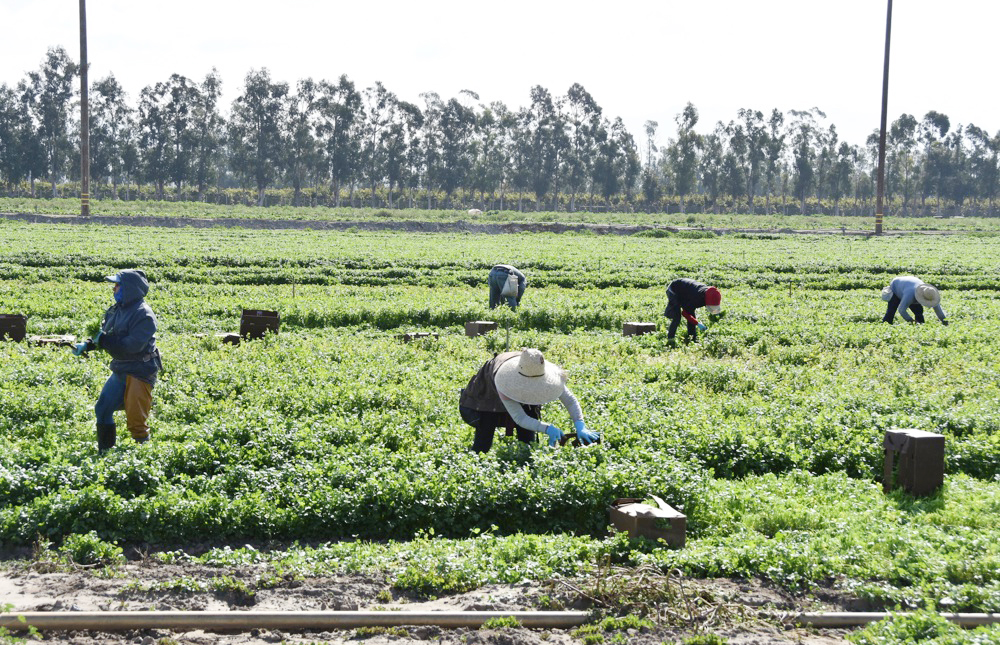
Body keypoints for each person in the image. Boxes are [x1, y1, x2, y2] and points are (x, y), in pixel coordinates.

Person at [74, 269, 163, 452]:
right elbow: (106, 336)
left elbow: (131, 347)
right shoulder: (116, 310)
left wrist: (104, 340)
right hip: (121, 369)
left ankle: (145, 458)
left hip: (140, 370)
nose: (114, 289)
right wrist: (88, 345)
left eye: (117, 285)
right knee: (102, 409)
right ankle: (104, 453)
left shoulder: (143, 315)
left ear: (129, 289)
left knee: (136, 422)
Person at [459, 348, 598, 453]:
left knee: (528, 445)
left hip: (519, 377)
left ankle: (525, 461)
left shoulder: (537, 369)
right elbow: (519, 417)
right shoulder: (504, 381)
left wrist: (580, 425)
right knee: (483, 442)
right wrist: (547, 428)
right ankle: (476, 460)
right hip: (488, 397)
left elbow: (570, 400)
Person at [664, 278, 722, 343]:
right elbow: (685, 313)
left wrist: (717, 315)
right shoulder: (696, 298)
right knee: (677, 317)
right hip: (674, 290)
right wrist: (697, 323)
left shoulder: (711, 293)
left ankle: (692, 339)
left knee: (691, 315)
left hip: (686, 292)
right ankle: (670, 339)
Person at [882, 276, 948, 325]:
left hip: (909, 285)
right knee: (891, 311)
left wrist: (945, 322)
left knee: (919, 311)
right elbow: (901, 310)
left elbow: (939, 311)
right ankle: (886, 324)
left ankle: (920, 325)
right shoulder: (909, 295)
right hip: (896, 286)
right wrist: (911, 321)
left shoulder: (930, 294)